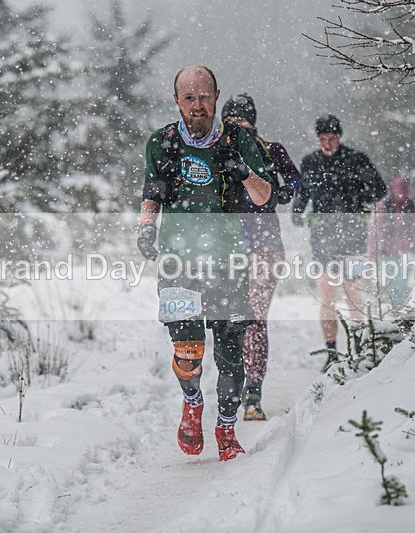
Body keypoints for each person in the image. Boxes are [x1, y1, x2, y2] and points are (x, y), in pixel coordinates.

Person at [137, 66, 273, 461]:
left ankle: (227, 430)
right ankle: (193, 404)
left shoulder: (238, 140)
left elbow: (266, 197)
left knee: (230, 356)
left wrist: (244, 173)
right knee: (189, 353)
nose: (197, 107)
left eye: (204, 97)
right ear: (176, 100)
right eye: (189, 98)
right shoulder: (161, 143)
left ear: (216, 96)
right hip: (177, 262)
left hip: (228, 262)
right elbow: (152, 194)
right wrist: (146, 226)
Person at [220, 93, 301, 421]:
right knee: (230, 320)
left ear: (253, 120)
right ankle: (234, 381)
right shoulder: (219, 152)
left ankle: (253, 390)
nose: (239, 124)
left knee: (253, 317)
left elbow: (296, 180)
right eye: (232, 119)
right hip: (227, 248)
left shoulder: (272, 149)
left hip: (265, 246)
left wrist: (286, 191)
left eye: (243, 118)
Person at [292, 114, 386, 372]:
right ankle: (331, 351)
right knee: (327, 295)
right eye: (322, 139)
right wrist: (298, 212)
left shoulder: (356, 159)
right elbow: (303, 194)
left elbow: (381, 189)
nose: (327, 144)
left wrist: (363, 204)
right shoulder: (310, 162)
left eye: (331, 138)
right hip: (322, 238)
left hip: (353, 235)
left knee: (353, 292)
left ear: (339, 137)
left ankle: (358, 346)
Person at [367, 176, 415, 309]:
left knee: (402, 283)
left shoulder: (413, 209)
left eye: (402, 191)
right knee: (392, 284)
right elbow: (374, 232)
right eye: (396, 191)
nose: (399, 194)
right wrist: (373, 252)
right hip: (387, 253)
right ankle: (395, 309)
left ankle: (399, 309)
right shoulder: (383, 208)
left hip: (407, 252)